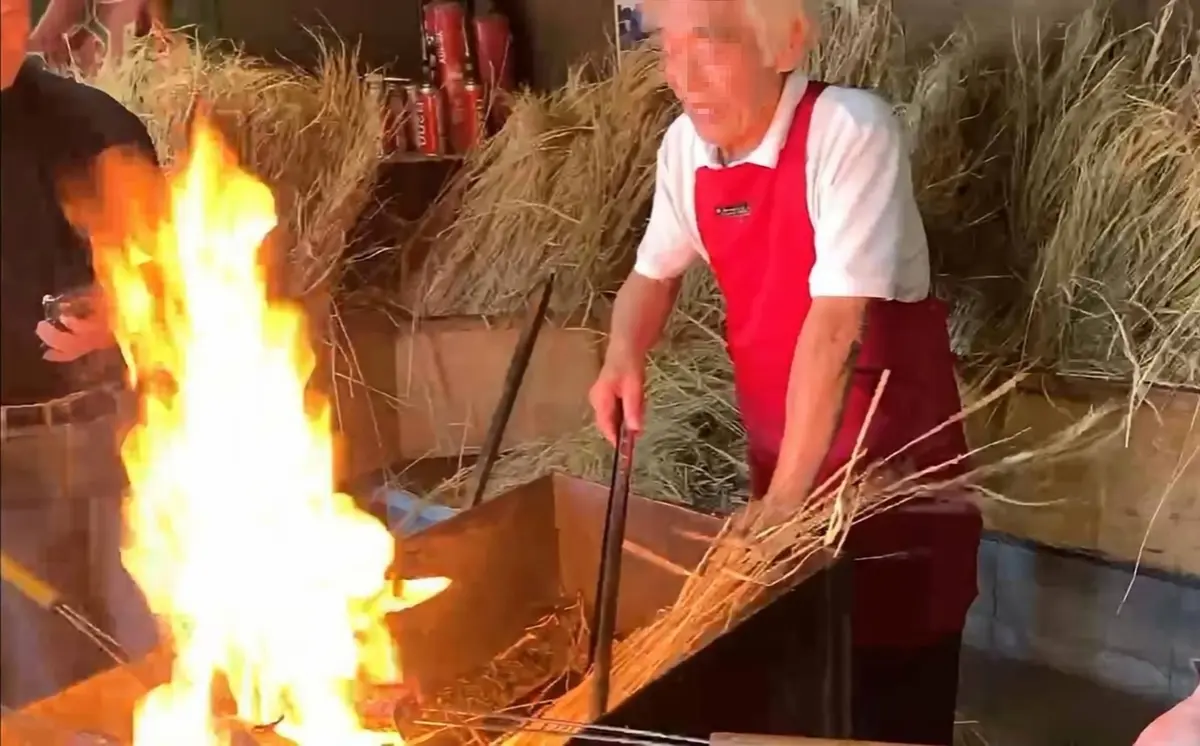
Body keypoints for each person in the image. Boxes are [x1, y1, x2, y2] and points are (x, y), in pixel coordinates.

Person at [587, 0, 982, 743]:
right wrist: (622, 354)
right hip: (784, 471)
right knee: (804, 691)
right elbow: (651, 274)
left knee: (892, 690)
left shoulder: (848, 132)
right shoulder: (686, 149)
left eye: (709, 46)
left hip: (888, 476)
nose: (683, 78)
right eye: (669, 51)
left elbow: (834, 326)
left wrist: (785, 507)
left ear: (786, 42)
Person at [1, 0, 157, 708]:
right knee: (51, 691)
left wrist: (123, 305)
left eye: (8, 12)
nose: (2, 33)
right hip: (7, 471)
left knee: (168, 646)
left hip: (121, 437)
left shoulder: (94, 125)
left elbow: (179, 267)